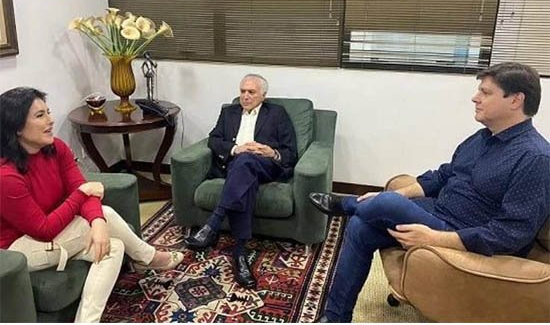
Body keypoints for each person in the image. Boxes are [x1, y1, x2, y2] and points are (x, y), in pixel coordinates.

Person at [309, 62, 550, 322]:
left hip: (465, 234)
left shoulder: (535, 158)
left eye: (486, 92)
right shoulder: (482, 138)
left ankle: (346, 205)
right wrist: (399, 196)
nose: (475, 98)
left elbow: (511, 233)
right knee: (361, 227)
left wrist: (435, 238)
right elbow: (442, 176)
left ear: (515, 100)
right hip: (439, 213)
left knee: (387, 203)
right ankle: (335, 318)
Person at [0, 87, 184, 323]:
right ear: (16, 127)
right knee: (105, 215)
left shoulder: (56, 148)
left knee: (113, 247)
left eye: (48, 112)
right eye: (40, 115)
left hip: (58, 230)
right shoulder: (6, 177)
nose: (50, 120)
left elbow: (81, 188)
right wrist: (83, 195)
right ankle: (148, 257)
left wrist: (97, 221)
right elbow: (44, 228)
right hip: (17, 249)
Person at [184, 73, 297, 288]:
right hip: (235, 167)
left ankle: (213, 224)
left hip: (266, 166)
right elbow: (213, 140)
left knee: (246, 162)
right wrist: (235, 149)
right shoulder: (229, 113)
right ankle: (239, 254)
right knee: (245, 175)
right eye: (242, 91)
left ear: (263, 95)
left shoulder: (277, 114)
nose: (245, 96)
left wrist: (271, 152)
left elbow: (291, 152)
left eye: (251, 92)